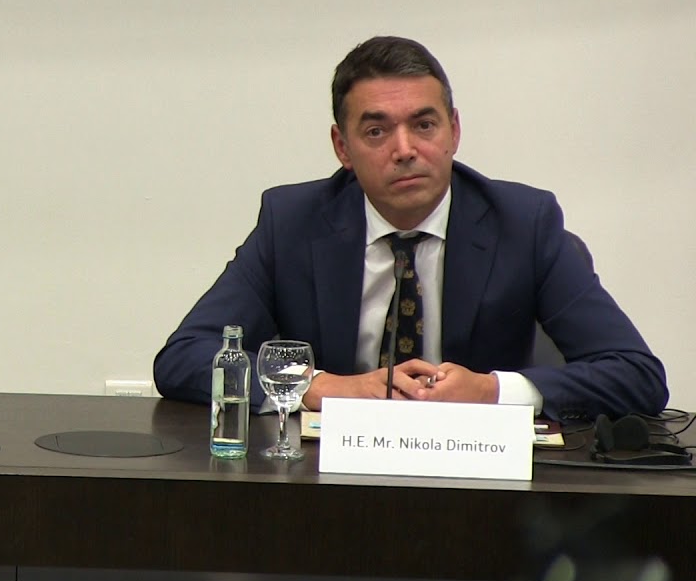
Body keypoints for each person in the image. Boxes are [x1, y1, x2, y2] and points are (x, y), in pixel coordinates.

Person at [154, 36, 665, 421]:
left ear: (453, 131)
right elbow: (184, 357)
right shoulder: (292, 222)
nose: (404, 150)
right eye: (377, 131)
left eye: (424, 125)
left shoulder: (523, 223)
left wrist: (491, 391)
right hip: (329, 480)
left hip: (482, 485)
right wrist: (319, 386)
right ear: (342, 147)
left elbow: (636, 374)